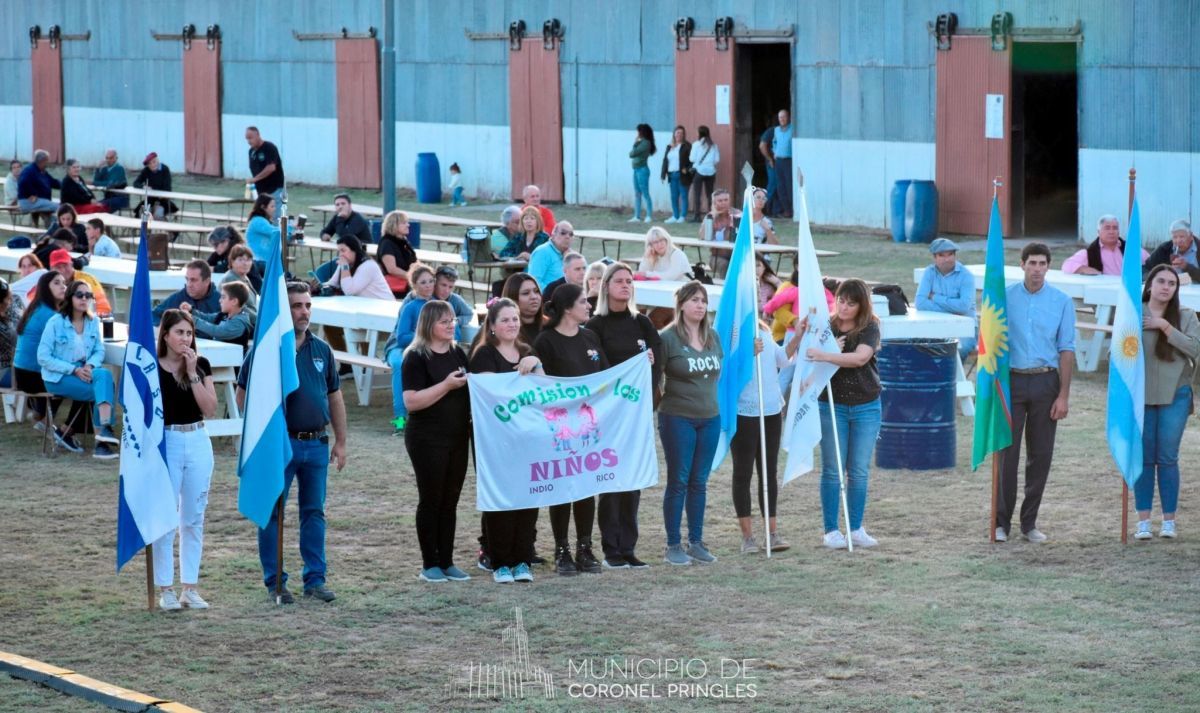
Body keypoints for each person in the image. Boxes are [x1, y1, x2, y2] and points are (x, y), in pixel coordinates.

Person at [236, 282, 348, 604]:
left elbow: (335, 397)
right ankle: (276, 583)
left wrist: (341, 441)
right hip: (278, 446)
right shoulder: (266, 348)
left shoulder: (322, 350)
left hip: (315, 445)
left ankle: (315, 580)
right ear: (285, 310)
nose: (304, 312)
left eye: (308, 305)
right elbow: (243, 395)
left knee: (314, 513)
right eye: (297, 306)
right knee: (273, 512)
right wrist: (261, 432)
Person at [997, 243, 1075, 544]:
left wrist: (1063, 395)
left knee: (1040, 455)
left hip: (1046, 383)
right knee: (1007, 454)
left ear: (1049, 267)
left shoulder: (1061, 301)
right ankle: (1000, 522)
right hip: (1012, 382)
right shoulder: (1004, 297)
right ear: (1022, 265)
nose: (1038, 269)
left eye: (1043, 263)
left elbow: (1066, 349)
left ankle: (1029, 523)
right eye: (1032, 263)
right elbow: (991, 340)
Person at [587, 262, 663, 569]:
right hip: (608, 418)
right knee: (610, 481)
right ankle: (611, 549)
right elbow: (598, 369)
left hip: (638, 415)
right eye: (619, 281)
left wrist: (649, 374)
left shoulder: (642, 323)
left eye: (629, 281)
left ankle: (629, 547)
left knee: (632, 480)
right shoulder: (596, 326)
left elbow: (657, 362)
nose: (625, 285)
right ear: (606, 286)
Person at [533, 284, 610, 576]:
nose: (588, 306)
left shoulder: (590, 336)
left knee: (586, 488)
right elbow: (543, 387)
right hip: (561, 429)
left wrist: (641, 365)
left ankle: (585, 548)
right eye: (583, 302)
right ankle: (562, 549)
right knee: (563, 488)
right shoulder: (546, 341)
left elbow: (605, 375)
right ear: (567, 308)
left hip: (588, 428)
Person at [804, 279, 883, 549]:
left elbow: (860, 358)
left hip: (866, 405)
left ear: (861, 305)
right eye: (840, 301)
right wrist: (821, 348)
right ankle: (831, 531)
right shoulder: (826, 325)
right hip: (831, 405)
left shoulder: (870, 326)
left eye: (851, 303)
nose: (844, 307)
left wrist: (827, 355)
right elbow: (807, 353)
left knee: (858, 471)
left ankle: (856, 527)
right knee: (832, 469)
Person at [469, 298, 543, 583]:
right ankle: (499, 561)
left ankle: (523, 559)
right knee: (500, 496)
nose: (512, 324)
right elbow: (492, 396)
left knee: (527, 494)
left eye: (515, 319)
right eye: (505, 320)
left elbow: (543, 392)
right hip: (495, 441)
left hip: (527, 439)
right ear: (493, 326)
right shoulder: (484, 354)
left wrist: (535, 363)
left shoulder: (527, 352)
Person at [151, 309, 218, 611]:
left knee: (193, 518)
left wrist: (192, 375)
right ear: (165, 335)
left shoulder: (200, 365)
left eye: (189, 333)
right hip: (168, 441)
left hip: (198, 439)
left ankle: (189, 587)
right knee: (166, 518)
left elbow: (210, 408)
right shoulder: (153, 367)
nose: (185, 338)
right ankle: (165, 587)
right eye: (179, 332)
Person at [403, 300, 473, 583]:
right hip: (426, 438)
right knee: (431, 499)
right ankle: (429, 562)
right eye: (444, 321)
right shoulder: (416, 356)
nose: (450, 325)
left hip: (457, 437)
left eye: (452, 320)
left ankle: (447, 560)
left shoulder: (458, 353)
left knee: (450, 500)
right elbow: (411, 402)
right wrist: (445, 385)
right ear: (429, 324)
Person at [658, 281, 722, 565]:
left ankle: (695, 541)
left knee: (700, 481)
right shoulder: (667, 338)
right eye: (694, 300)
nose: (700, 305)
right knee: (679, 480)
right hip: (677, 418)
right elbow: (653, 376)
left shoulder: (713, 337)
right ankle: (673, 544)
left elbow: (719, 372)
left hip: (710, 418)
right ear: (681, 304)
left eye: (703, 300)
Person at [1135, 265, 1200, 540]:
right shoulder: (1134, 313)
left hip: (1176, 393)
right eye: (1160, 281)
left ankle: (1169, 521)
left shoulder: (1185, 316)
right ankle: (1143, 521)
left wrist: (1164, 326)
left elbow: (1195, 348)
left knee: (1167, 457)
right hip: (1142, 396)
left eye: (1171, 283)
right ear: (1150, 285)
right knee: (1145, 458)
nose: (1166, 287)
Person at [733, 320, 800, 554]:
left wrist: (798, 336)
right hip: (744, 410)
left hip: (771, 409)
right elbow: (725, 368)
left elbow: (781, 359)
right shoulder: (732, 328)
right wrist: (745, 353)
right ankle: (748, 537)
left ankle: (772, 533)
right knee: (743, 472)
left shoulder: (763, 328)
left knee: (768, 471)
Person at [37, 279, 120, 460]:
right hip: (58, 377)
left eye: (88, 295)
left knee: (104, 375)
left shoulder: (92, 321)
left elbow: (99, 350)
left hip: (85, 369)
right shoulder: (56, 322)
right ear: (70, 297)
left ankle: (103, 434)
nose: (84, 299)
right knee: (103, 389)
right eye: (80, 295)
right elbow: (43, 357)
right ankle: (102, 441)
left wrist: (89, 365)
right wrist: (73, 370)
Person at [14, 272, 69, 442]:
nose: (63, 286)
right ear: (46, 288)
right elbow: (67, 346)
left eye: (64, 283)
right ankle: (48, 421)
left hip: (22, 373)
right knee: (73, 381)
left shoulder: (39, 307)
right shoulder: (49, 314)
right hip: (30, 375)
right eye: (57, 283)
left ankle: (40, 414)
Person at [384, 264, 437, 434]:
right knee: (400, 363)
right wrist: (426, 337)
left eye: (431, 281)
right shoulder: (410, 306)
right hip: (401, 348)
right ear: (414, 285)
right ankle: (400, 419)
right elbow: (401, 337)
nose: (428, 285)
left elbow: (455, 332)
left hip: (428, 348)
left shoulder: (439, 305)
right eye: (423, 282)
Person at [915, 237, 977, 358]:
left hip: (965, 327)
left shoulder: (966, 276)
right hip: (936, 324)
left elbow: (964, 307)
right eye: (941, 255)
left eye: (950, 254)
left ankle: (954, 377)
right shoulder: (929, 272)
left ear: (955, 256)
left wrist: (935, 297)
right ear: (934, 258)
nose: (947, 259)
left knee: (959, 349)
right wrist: (954, 309)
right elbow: (920, 303)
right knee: (919, 347)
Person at [1062, 215, 1149, 276]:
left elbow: (1151, 264)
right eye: (1107, 228)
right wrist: (1086, 270)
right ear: (1098, 232)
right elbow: (1067, 266)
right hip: (1104, 295)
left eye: (1115, 228)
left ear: (1118, 231)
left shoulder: (1132, 249)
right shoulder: (1089, 253)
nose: (1111, 231)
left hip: (1128, 295)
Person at [184, 281, 255, 351]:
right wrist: (191, 311)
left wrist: (193, 320)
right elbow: (207, 318)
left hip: (231, 361)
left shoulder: (239, 323)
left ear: (234, 301)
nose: (220, 300)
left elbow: (217, 331)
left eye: (223, 297)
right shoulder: (224, 315)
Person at [48, 248, 112, 317]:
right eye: (58, 267)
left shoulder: (87, 279)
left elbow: (103, 308)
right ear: (51, 270)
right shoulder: (47, 282)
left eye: (65, 265)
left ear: (72, 264)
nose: (63, 270)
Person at [325, 235, 392, 300]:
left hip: (384, 306)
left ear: (355, 250)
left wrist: (345, 267)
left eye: (343, 250)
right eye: (339, 251)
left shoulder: (369, 266)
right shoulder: (345, 263)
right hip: (365, 306)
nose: (340, 255)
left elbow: (349, 291)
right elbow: (332, 283)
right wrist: (318, 287)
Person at [152, 260, 220, 324]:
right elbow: (153, 315)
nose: (189, 284)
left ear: (207, 281)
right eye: (187, 279)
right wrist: (168, 329)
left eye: (193, 280)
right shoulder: (179, 296)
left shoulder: (220, 301)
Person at [1143, 219, 1200, 284]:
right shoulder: (1164, 249)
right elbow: (1145, 269)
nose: (1178, 241)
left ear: (1191, 236)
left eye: (1182, 237)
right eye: (1175, 237)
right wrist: (1157, 277)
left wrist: (1186, 266)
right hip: (1169, 290)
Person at [244, 194, 294, 268]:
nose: (274, 209)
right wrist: (290, 226)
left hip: (264, 261)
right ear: (263, 207)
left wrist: (292, 235)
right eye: (272, 206)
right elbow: (277, 232)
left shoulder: (262, 221)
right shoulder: (258, 221)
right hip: (258, 262)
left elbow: (280, 236)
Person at [378, 210, 419, 298]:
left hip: (408, 285)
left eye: (407, 222)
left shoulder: (404, 241)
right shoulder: (387, 243)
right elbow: (392, 269)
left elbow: (414, 261)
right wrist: (414, 278)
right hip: (395, 290)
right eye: (404, 223)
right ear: (393, 225)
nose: (408, 225)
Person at [701, 188, 741, 278]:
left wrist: (732, 221)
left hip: (736, 255)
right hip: (717, 256)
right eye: (720, 201)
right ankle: (726, 289)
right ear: (714, 203)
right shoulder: (710, 216)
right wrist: (711, 217)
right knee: (724, 264)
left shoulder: (738, 215)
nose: (723, 203)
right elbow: (702, 236)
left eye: (726, 200)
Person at [761, 109, 793, 217]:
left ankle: (791, 210)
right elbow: (771, 143)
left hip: (789, 161)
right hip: (778, 161)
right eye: (780, 117)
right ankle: (785, 210)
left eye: (784, 117)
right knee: (779, 186)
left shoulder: (793, 129)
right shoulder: (776, 130)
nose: (782, 119)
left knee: (789, 185)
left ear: (788, 117)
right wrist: (774, 154)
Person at [503, 272, 544, 352]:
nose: (534, 297)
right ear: (512, 298)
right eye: (526, 293)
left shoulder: (550, 325)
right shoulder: (503, 329)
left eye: (536, 291)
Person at [246, 126, 286, 205]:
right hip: (261, 192)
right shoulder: (251, 152)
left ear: (258, 135)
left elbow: (271, 168)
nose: (249, 141)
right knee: (262, 215)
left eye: (251, 138)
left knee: (276, 216)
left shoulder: (269, 147)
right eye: (247, 139)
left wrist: (255, 179)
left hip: (274, 190)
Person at [661, 125, 692, 224]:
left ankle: (682, 216)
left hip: (682, 175)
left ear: (684, 135)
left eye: (681, 133)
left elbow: (692, 161)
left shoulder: (687, 146)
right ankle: (675, 215)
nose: (679, 135)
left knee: (683, 195)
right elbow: (665, 161)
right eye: (677, 132)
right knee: (673, 196)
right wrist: (663, 174)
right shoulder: (670, 146)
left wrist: (687, 170)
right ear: (674, 134)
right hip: (672, 175)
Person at [132, 152, 178, 218]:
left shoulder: (165, 169)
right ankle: (143, 227)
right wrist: (143, 187)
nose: (152, 165)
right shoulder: (146, 170)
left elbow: (168, 188)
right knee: (141, 212)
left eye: (154, 162)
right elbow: (136, 183)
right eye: (149, 163)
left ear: (158, 160)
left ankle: (160, 226)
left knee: (158, 213)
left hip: (163, 200)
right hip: (150, 199)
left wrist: (159, 194)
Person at [17, 149, 60, 217]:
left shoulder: (41, 171)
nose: (47, 163)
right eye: (47, 161)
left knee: (53, 206)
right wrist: (32, 194)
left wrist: (65, 184)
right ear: (42, 161)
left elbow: (53, 182)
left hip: (39, 201)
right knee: (60, 208)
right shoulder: (29, 170)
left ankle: (49, 224)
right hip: (27, 202)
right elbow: (23, 182)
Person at [689, 126, 719, 222]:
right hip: (711, 172)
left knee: (697, 194)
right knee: (710, 194)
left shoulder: (696, 144)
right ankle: (711, 215)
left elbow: (692, 159)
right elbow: (717, 160)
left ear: (700, 133)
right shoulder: (714, 145)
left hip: (699, 171)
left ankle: (697, 216)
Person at [219, 244, 262, 310]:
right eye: (240, 259)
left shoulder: (243, 277)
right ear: (232, 261)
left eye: (248, 260)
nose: (245, 263)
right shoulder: (230, 279)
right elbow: (239, 308)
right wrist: (258, 319)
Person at [629, 123, 656, 223]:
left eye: (638, 132)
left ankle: (649, 215)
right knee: (637, 193)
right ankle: (637, 216)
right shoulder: (642, 142)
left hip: (642, 170)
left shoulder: (645, 143)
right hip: (636, 169)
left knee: (645, 193)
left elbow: (632, 154)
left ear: (642, 132)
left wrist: (635, 143)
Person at [433, 266, 473, 332]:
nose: (447, 291)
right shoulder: (425, 297)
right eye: (443, 285)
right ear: (435, 282)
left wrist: (454, 321)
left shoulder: (455, 299)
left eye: (450, 287)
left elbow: (469, 314)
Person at [0, 278, 20, 388]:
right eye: (8, 298)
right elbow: (16, 339)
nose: (10, 301)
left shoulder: (13, 303)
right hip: (4, 370)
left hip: (14, 367)